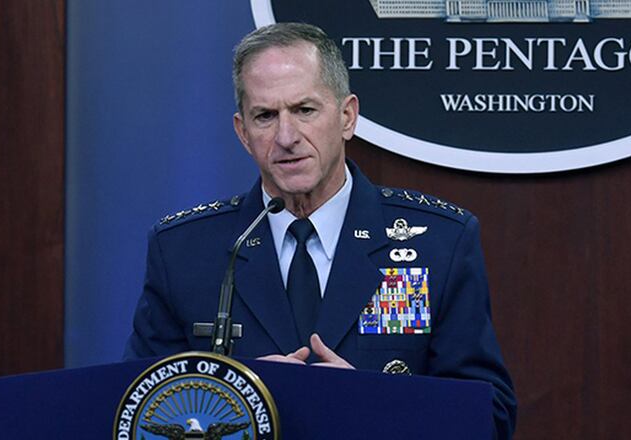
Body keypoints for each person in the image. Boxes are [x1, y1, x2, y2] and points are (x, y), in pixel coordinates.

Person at [124, 22, 516, 438]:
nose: (286, 136)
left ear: (347, 117)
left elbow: (490, 417)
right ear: (242, 132)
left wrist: (373, 402)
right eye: (265, 116)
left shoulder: (440, 243)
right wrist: (235, 399)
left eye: (305, 110)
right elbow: (133, 408)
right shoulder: (184, 251)